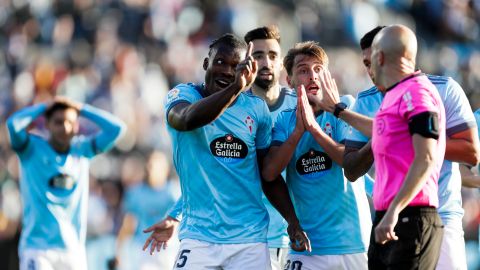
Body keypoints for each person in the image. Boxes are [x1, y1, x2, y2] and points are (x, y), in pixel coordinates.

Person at [142, 33, 310, 270]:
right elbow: (186, 120)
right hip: (199, 238)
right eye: (220, 62)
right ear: (205, 64)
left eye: (237, 66)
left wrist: (292, 221)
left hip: (249, 240)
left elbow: (266, 175)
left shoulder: (256, 109)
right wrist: (235, 88)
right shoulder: (183, 96)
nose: (228, 71)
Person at [340, 26, 479, 270]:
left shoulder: (422, 91)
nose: (370, 71)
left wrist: (404, 138)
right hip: (388, 217)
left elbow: (447, 154)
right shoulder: (382, 98)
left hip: (427, 213)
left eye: (371, 60)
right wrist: (338, 112)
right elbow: (358, 161)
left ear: (382, 56)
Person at [262, 41, 371, 270]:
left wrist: (315, 130)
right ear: (289, 81)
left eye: (318, 69)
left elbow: (347, 162)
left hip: (351, 244)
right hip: (307, 247)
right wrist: (298, 132)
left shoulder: (346, 109)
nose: (312, 76)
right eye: (303, 70)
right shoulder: (284, 121)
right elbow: (270, 172)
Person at [6, 96, 125, 270]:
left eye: (70, 122)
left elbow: (117, 129)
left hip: (72, 249)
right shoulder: (31, 149)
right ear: (47, 125)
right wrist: (44, 106)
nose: (65, 127)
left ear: (77, 125)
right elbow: (13, 125)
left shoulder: (82, 150)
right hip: (38, 249)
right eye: (58, 122)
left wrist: (81, 108)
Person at [115, 151, 180, 270]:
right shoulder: (135, 193)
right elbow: (128, 224)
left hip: (168, 249)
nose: (150, 169)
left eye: (155, 165)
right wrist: (119, 250)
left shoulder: (173, 192)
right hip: (144, 248)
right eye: (149, 165)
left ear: (165, 169)